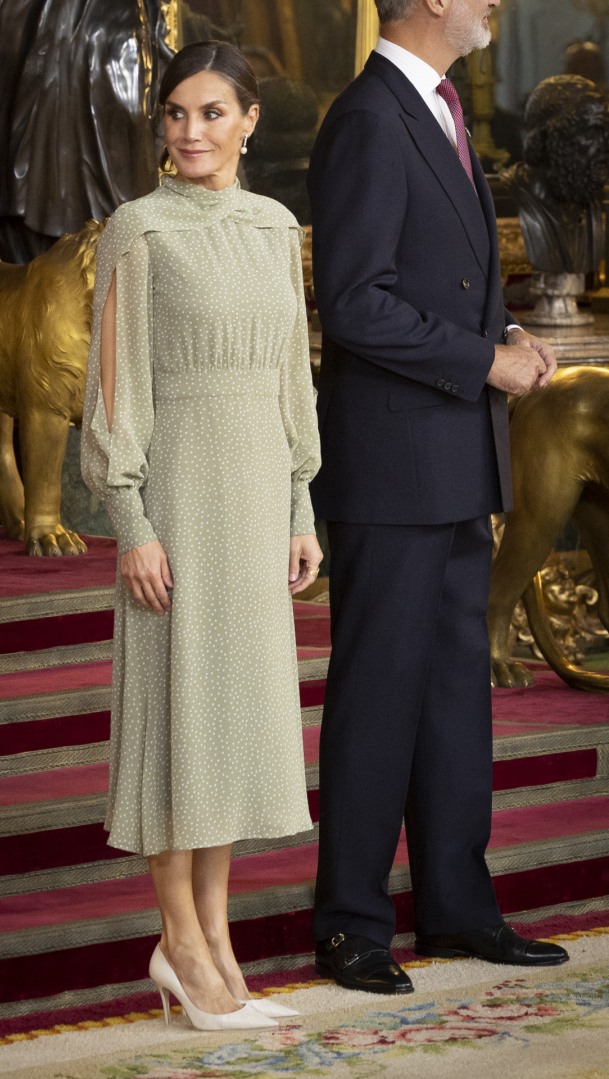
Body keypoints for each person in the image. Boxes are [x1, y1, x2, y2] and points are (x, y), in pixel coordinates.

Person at [308, 0, 568, 995]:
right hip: (391, 460)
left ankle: (456, 906)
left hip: (454, 451)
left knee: (455, 691)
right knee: (379, 694)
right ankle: (350, 923)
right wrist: (482, 361)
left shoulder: (440, 107)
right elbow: (354, 300)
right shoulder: (370, 116)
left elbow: (443, 279)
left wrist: (508, 339)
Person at [81, 40, 323, 1030]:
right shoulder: (138, 229)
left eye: (212, 112)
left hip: (258, 498)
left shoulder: (275, 227)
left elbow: (293, 374)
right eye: (176, 113)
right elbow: (112, 390)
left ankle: (218, 943)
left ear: (250, 120)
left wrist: (301, 503)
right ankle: (178, 941)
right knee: (175, 721)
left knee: (225, 723)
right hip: (177, 500)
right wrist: (131, 522)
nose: (191, 132)